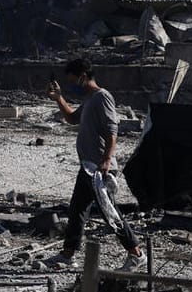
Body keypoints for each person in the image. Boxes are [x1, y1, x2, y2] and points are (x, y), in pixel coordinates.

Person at [45, 57, 146, 273]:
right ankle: (68, 254)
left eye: (73, 81)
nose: (73, 85)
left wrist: (107, 160)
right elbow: (72, 119)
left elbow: (112, 131)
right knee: (77, 210)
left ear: (83, 77)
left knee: (110, 212)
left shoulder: (102, 97)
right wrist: (59, 98)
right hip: (88, 167)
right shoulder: (90, 99)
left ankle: (136, 253)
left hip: (99, 168)